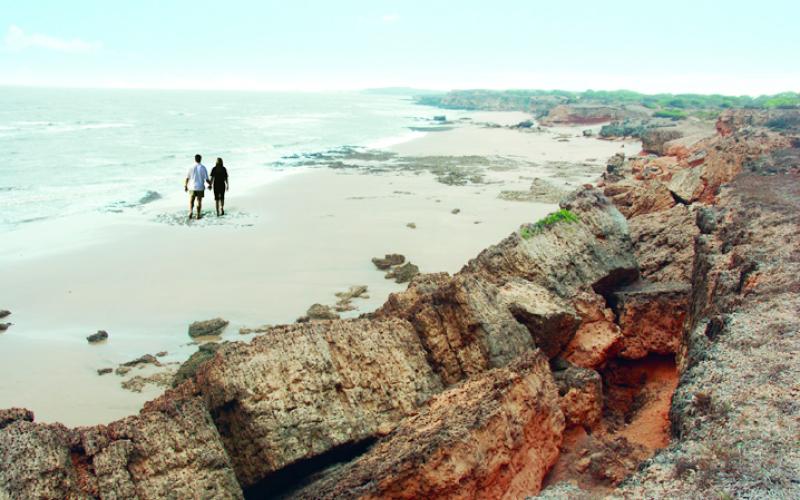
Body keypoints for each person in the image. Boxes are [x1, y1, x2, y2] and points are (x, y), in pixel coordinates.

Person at [184, 154, 209, 219]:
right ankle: (198, 214)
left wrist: (185, 186)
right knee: (199, 201)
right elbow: (206, 179)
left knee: (191, 200)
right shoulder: (203, 167)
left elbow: (187, 178)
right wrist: (210, 184)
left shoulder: (190, 167)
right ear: (200, 159)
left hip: (192, 187)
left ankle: (191, 212)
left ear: (195, 159)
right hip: (200, 187)